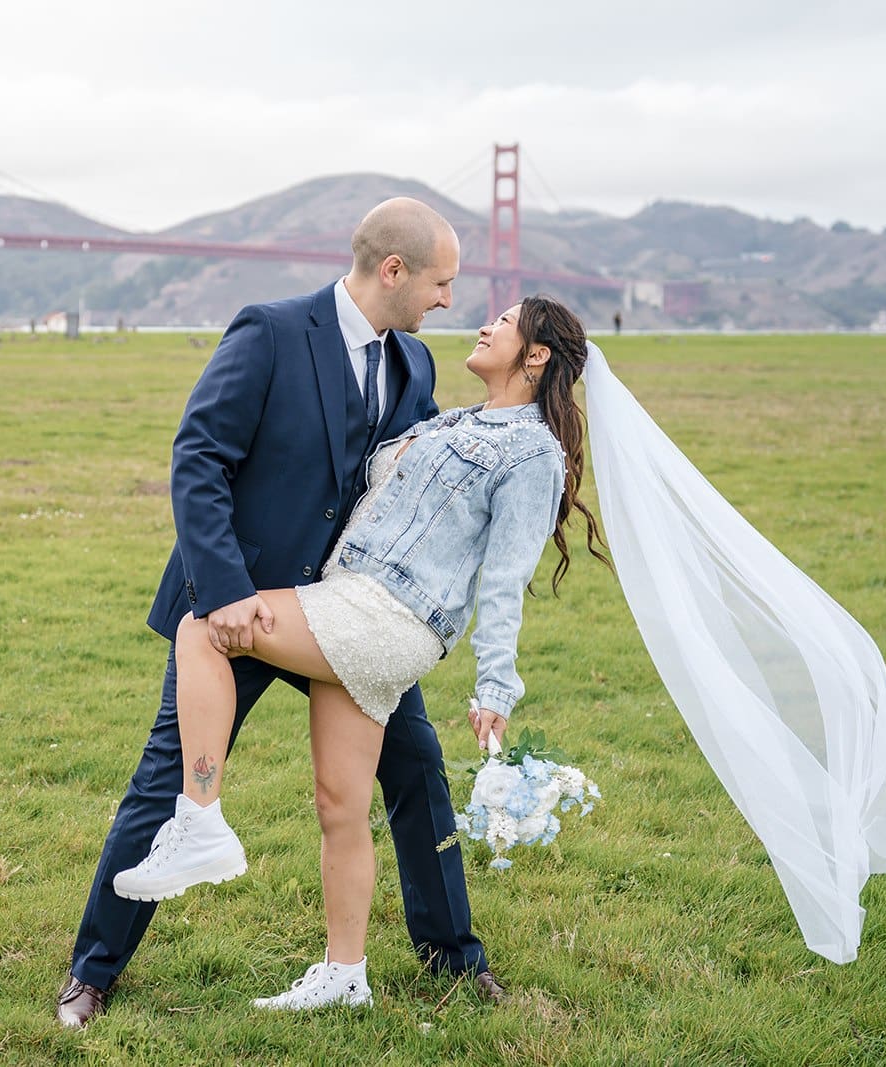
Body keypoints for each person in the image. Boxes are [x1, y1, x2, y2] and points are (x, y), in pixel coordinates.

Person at [56, 198, 507, 1028]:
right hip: (243, 608)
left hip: (345, 619)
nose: (449, 300)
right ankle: (91, 974)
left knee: (414, 769)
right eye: (441, 282)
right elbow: (198, 458)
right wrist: (223, 592)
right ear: (394, 271)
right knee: (167, 781)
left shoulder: (414, 365)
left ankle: (454, 957)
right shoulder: (269, 332)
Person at [112, 294, 609, 1008]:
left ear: (536, 355)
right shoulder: (460, 417)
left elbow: (504, 579)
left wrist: (497, 685)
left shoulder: (533, 452)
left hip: (385, 614)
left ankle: (200, 817)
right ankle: (344, 974)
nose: (481, 321)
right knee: (339, 803)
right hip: (356, 603)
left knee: (206, 623)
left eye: (503, 321)